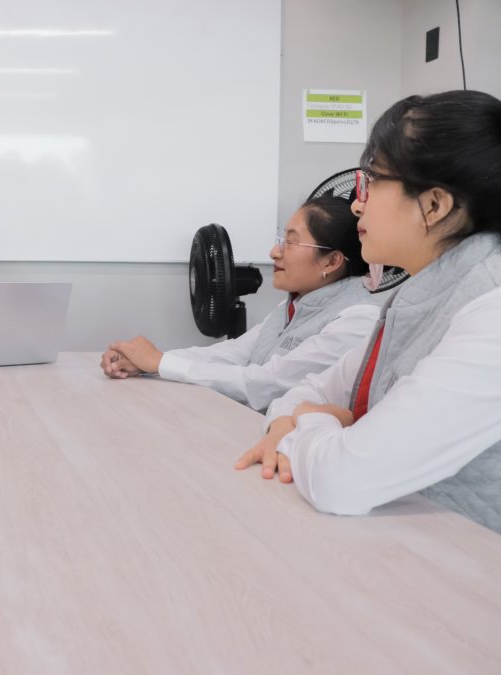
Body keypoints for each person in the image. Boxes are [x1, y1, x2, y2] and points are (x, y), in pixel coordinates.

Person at [236, 90, 501, 533]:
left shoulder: (490, 312)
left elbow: (341, 480)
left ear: (434, 205)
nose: (357, 203)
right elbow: (307, 391)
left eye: (373, 181)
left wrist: (314, 419)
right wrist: (295, 419)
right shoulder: (417, 294)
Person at [100, 195, 386, 412]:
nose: (274, 252)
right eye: (280, 239)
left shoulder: (358, 319)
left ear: (332, 261)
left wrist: (161, 362)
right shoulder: (293, 306)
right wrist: (147, 363)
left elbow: (266, 384)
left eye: (290, 242)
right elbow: (234, 354)